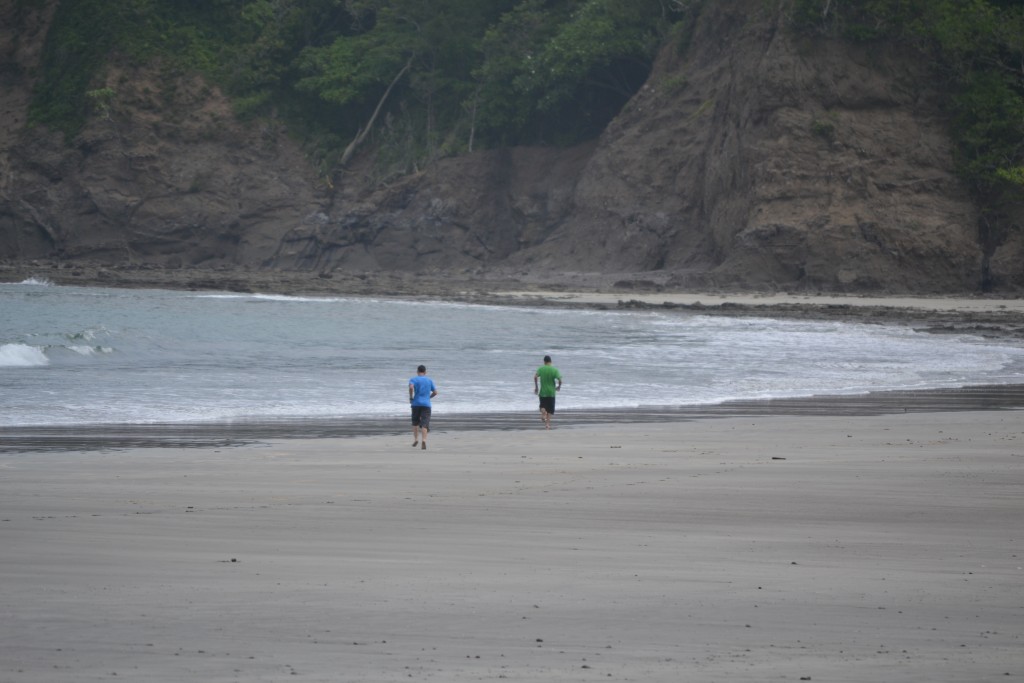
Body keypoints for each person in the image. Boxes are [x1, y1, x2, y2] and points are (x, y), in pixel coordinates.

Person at [409, 364, 438, 450]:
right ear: (425, 372)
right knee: (425, 423)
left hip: (416, 404)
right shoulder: (429, 380)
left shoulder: (413, 379)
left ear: (417, 371)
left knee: (415, 422)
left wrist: (411, 397)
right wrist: (429, 397)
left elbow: (411, 387)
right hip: (426, 404)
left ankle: (416, 439)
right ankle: (424, 440)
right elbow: (435, 392)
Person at [533, 355, 563, 430]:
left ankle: (543, 412)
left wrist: (536, 387)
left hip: (543, 392)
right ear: (551, 361)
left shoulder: (541, 369)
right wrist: (559, 387)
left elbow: (535, 377)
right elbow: (560, 380)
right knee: (550, 410)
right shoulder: (554, 370)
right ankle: (547, 425)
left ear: (544, 362)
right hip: (551, 393)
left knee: (542, 407)